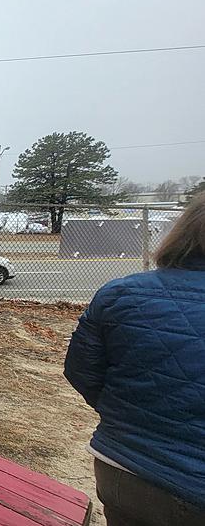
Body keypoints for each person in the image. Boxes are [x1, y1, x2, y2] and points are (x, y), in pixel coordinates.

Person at [64, 192, 205, 525]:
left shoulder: (121, 293)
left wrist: (128, 413)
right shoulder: (120, 294)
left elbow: (81, 370)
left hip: (123, 470)